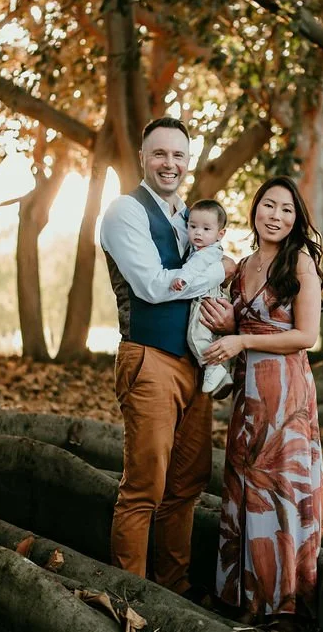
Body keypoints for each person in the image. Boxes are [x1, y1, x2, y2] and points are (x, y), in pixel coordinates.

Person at [99, 117, 233, 597]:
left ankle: (171, 592)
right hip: (149, 360)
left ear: (188, 161)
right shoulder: (124, 212)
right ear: (142, 158)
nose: (169, 164)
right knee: (144, 488)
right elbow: (153, 287)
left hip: (197, 366)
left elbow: (212, 289)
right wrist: (219, 264)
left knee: (186, 486)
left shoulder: (191, 218)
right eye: (160, 154)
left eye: (178, 155)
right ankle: (128, 599)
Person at [200, 176, 323, 623]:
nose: (276, 215)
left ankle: (279, 600)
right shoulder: (243, 265)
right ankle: (239, 593)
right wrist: (225, 328)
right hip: (247, 394)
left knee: (278, 489)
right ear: (255, 210)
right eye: (269, 205)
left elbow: (306, 336)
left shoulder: (300, 264)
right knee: (245, 483)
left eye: (287, 209)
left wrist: (240, 342)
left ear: (296, 220)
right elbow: (238, 326)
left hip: (285, 393)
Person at [170, 198, 236, 399]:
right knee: (207, 336)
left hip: (207, 300)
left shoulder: (208, 252)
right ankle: (221, 376)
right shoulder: (200, 248)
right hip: (209, 297)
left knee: (195, 336)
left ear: (220, 234)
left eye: (206, 229)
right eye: (193, 227)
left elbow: (194, 267)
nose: (198, 232)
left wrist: (182, 278)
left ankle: (213, 367)